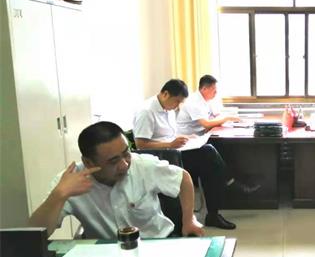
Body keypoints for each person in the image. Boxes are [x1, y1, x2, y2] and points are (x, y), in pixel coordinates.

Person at [28, 121, 204, 239]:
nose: (124, 164)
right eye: (113, 161)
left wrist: (189, 219)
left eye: (126, 153)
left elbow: (183, 178)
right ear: (88, 162)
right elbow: (34, 234)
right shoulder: (69, 183)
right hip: (104, 254)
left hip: (156, 244)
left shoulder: (143, 166)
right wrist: (59, 195)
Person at [133, 79, 255, 230]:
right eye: (176, 101)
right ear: (165, 94)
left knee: (210, 157)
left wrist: (187, 138)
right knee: (209, 155)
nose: (177, 106)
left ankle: (217, 206)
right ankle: (227, 187)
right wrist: (170, 144)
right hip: (160, 157)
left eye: (180, 103)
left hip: (173, 152)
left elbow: (168, 135)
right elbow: (141, 144)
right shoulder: (147, 112)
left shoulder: (168, 109)